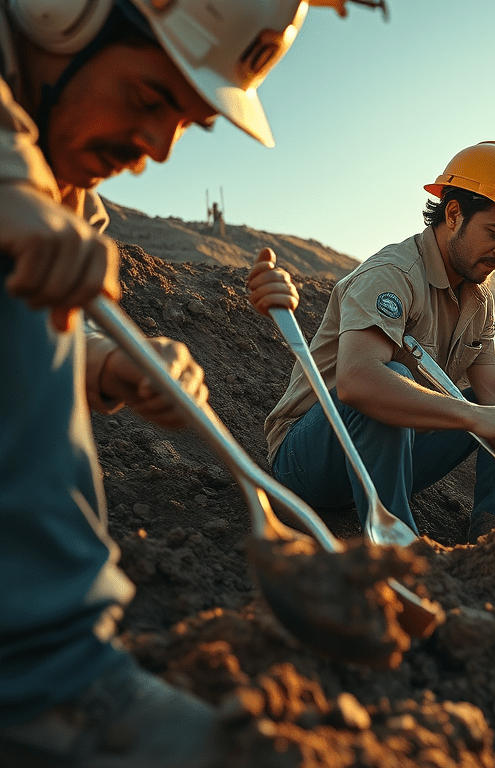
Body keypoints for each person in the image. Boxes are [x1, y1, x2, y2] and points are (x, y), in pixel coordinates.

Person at [0, 0, 347, 765]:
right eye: (150, 98)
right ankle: (44, 684)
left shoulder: (62, 198)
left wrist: (110, 363)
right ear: (61, 16)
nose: (157, 148)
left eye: (185, 121)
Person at [264, 141, 495, 541]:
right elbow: (356, 381)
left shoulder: (478, 297)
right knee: (388, 376)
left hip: (389, 457)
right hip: (309, 462)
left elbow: (494, 388)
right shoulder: (393, 275)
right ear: (454, 215)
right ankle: (399, 546)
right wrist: (472, 416)